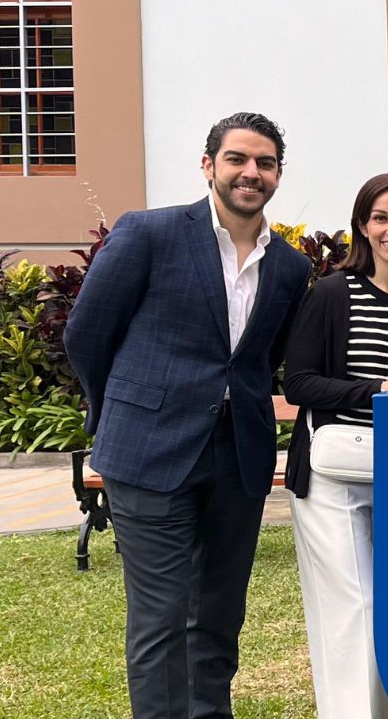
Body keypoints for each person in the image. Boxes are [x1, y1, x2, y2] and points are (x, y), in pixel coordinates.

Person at [63, 112, 311, 719]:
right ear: (208, 165)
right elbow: (86, 334)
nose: (251, 172)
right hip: (148, 451)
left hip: (238, 457)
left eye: (265, 163)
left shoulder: (290, 266)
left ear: (278, 175)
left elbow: (263, 359)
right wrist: (121, 409)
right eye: (237, 159)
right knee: (162, 618)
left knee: (220, 615)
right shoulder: (149, 233)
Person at [283, 174, 388, 719]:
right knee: (353, 607)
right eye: (380, 218)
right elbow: (299, 383)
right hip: (331, 474)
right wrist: (381, 386)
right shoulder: (333, 293)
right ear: (362, 226)